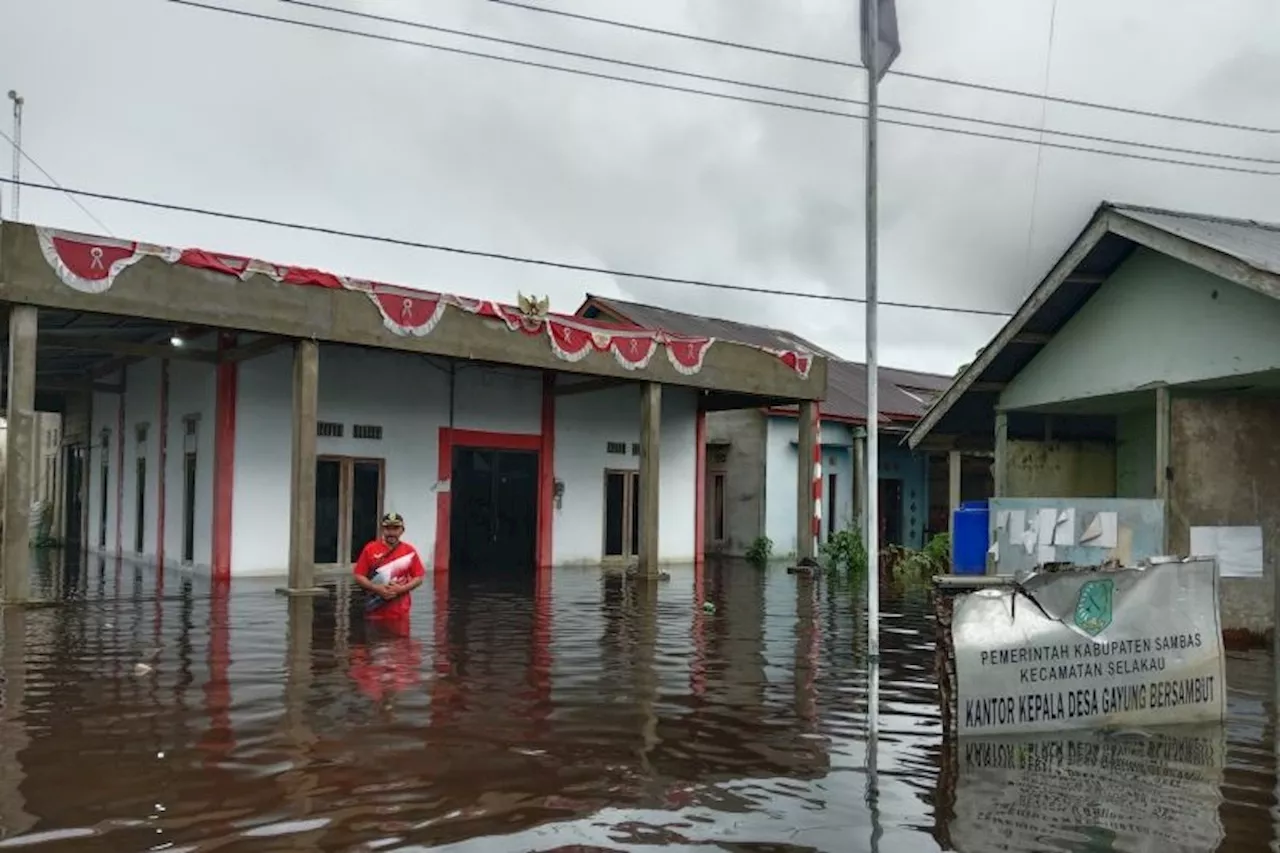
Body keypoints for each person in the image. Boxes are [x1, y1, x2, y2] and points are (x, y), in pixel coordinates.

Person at [352, 512, 427, 629]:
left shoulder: (409, 551)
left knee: (400, 646)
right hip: (375, 611)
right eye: (388, 528)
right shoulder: (370, 549)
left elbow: (419, 577)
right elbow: (358, 575)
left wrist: (401, 589)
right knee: (375, 644)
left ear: (402, 530)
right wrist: (376, 588)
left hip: (400, 612)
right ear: (382, 530)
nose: (391, 532)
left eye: (395, 528)